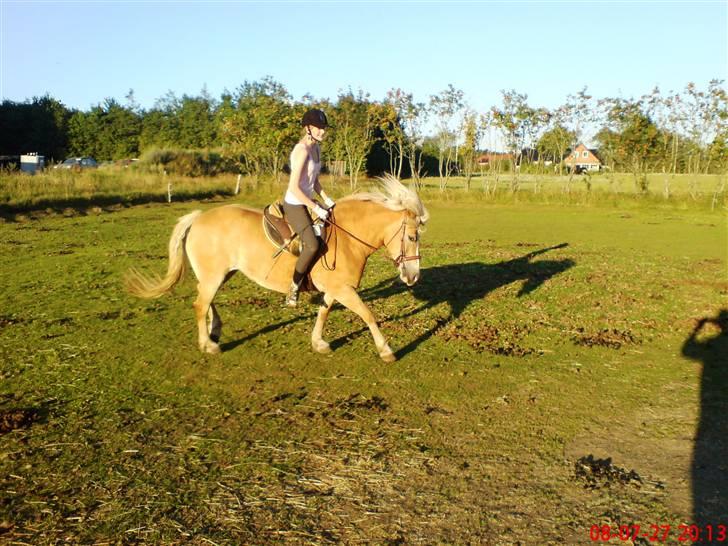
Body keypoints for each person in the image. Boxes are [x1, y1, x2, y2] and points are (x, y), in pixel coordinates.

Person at [281, 108, 335, 307]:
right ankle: (294, 287)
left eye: (323, 128)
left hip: (310, 200)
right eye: (318, 128)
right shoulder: (301, 150)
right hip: (295, 203)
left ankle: (321, 279)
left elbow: (314, 180)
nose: (322, 131)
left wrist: (327, 199)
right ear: (307, 128)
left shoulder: (316, 148)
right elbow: (294, 187)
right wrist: (315, 207)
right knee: (312, 244)